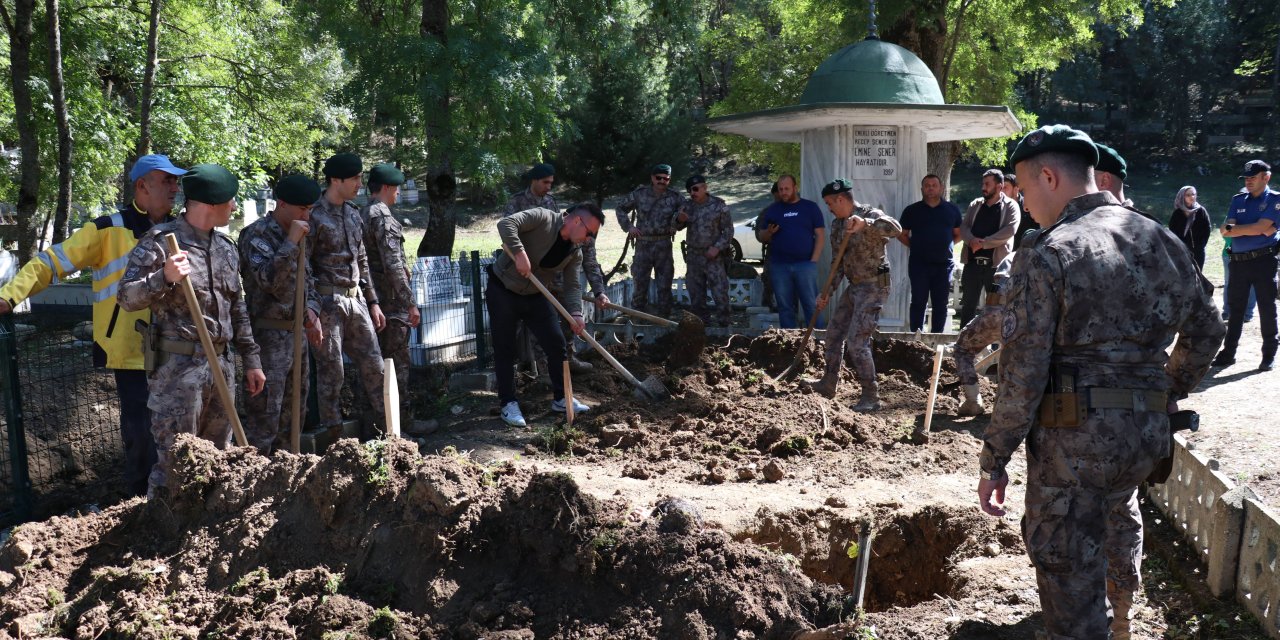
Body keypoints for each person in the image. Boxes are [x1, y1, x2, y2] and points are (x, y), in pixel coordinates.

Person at [978, 125, 1224, 640]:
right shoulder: (1160, 239)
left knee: (1067, 571)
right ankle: (1123, 618)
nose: (1025, 206)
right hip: (1144, 436)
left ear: (1048, 176)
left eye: (1024, 192)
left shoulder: (1049, 251)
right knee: (1120, 520)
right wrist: (1168, 388)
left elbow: (1022, 371)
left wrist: (995, 456)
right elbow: (1208, 328)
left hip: (1073, 441)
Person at [0, 154, 185, 497]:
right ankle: (139, 504)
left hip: (179, 350)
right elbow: (49, 263)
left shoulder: (182, 230)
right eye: (168, 180)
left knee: (180, 433)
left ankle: (177, 498)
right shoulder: (105, 229)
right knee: (141, 434)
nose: (176, 187)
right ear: (142, 186)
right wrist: (10, 296)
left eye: (177, 180)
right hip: (130, 353)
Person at [118, 163, 266, 494]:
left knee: (219, 460)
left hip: (221, 366)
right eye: (231, 200)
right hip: (178, 374)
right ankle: (164, 533)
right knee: (175, 462)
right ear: (212, 203)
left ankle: (206, 536)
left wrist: (252, 360)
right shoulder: (160, 243)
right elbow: (126, 297)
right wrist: (164, 278)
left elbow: (236, 308)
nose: (234, 206)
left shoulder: (225, 248)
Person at [489, 204, 601, 427]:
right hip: (503, 289)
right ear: (577, 221)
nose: (589, 239)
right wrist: (519, 253)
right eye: (590, 233)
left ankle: (561, 398)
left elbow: (572, 286)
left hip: (536, 293)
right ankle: (508, 403)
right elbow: (506, 224)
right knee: (505, 348)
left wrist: (576, 313)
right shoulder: (543, 218)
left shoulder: (574, 252)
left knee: (556, 343)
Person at [238, 175, 324, 454]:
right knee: (265, 418)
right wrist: (290, 242)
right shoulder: (257, 234)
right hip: (268, 337)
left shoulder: (301, 235)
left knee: (294, 415)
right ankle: (257, 479)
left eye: (310, 209)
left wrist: (312, 310)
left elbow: (309, 280)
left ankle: (286, 477)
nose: (306, 215)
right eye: (301, 209)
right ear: (282, 204)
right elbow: (268, 280)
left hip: (296, 334)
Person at [309, 152, 388, 436]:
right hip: (327, 303)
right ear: (335, 180)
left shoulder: (353, 214)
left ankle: (386, 435)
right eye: (354, 178)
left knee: (375, 367)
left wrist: (373, 301)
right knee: (333, 374)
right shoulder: (314, 215)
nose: (359, 183)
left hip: (356, 301)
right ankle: (335, 441)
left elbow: (362, 260)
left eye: (360, 177)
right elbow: (304, 265)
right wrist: (311, 308)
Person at [806, 179, 900, 411]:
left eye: (830, 203)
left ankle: (871, 395)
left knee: (857, 343)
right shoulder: (838, 225)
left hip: (875, 286)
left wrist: (865, 224)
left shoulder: (870, 214)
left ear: (841, 199)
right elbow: (838, 263)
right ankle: (829, 383)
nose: (828, 207)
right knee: (833, 334)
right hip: (855, 286)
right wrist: (827, 292)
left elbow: (896, 229)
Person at [506, 163, 608, 372]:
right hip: (526, 271)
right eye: (545, 182)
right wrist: (522, 256)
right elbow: (509, 229)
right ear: (533, 180)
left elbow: (583, 258)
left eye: (552, 183)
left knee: (569, 316)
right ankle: (537, 369)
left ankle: (568, 360)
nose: (549, 187)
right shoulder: (516, 202)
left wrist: (599, 291)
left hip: (555, 274)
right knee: (531, 324)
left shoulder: (553, 204)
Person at [361, 163, 422, 430]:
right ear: (386, 188)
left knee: (373, 365)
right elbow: (393, 264)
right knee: (397, 365)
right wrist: (410, 301)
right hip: (390, 302)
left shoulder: (361, 214)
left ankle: (375, 425)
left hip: (371, 300)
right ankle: (401, 424)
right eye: (396, 188)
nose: (397, 193)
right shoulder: (382, 217)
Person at [1212, 160, 1280, 371]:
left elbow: (1260, 227)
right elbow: (1225, 229)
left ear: (1265, 177)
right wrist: (1256, 229)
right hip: (1239, 262)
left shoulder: (1276, 199)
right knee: (1235, 310)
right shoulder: (1238, 199)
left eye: (1253, 177)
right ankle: (1229, 353)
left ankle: (1268, 354)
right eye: (1246, 178)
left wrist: (1241, 228)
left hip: (1264, 261)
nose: (1248, 181)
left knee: (1267, 309)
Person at [953, 249, 1019, 415]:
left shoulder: (1013, 256)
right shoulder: (1043, 258)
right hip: (1024, 317)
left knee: (963, 349)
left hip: (995, 313)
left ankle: (973, 400)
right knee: (1016, 357)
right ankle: (1008, 404)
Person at [616, 164, 684, 317]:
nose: (662, 181)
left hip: (664, 245)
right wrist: (629, 227)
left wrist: (676, 222)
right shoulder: (640, 194)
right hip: (643, 245)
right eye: (658, 178)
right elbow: (620, 208)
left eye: (665, 179)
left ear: (669, 180)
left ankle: (664, 324)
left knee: (665, 286)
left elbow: (684, 215)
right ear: (652, 178)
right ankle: (636, 323)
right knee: (640, 285)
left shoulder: (675, 197)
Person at [758, 175, 826, 328]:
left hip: (805, 265)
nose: (784, 193)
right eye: (781, 190)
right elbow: (762, 236)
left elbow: (820, 235)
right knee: (785, 307)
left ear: (795, 188)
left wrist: (813, 261)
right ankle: (790, 341)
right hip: (779, 265)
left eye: (787, 189)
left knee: (811, 304)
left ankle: (818, 339)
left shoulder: (810, 207)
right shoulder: (773, 210)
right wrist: (769, 233)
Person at [897, 174, 961, 333]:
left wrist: (945, 245)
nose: (930, 188)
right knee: (918, 301)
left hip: (944, 265)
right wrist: (916, 246)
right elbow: (901, 234)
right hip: (919, 265)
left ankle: (937, 339)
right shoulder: (912, 210)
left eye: (934, 185)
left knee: (941, 303)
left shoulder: (952, 210)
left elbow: (958, 234)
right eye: (927, 185)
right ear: (922, 189)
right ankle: (915, 339)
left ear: (941, 188)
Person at [957, 169, 1019, 328]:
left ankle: (994, 349)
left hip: (996, 268)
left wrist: (984, 243)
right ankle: (963, 345)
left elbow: (1010, 230)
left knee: (996, 309)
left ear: (999, 186)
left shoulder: (1011, 206)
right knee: (968, 307)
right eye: (983, 184)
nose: (983, 187)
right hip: (972, 265)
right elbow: (964, 227)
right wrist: (971, 241)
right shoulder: (975, 204)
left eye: (987, 184)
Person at [676, 175, 733, 326]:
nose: (692, 193)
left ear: (705, 187)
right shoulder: (687, 206)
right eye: (689, 191)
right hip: (694, 256)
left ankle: (724, 326)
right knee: (696, 294)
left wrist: (717, 247)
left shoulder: (718, 205)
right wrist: (679, 220)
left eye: (695, 189)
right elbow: (676, 226)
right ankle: (701, 328)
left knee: (720, 292)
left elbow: (728, 231)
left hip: (714, 256)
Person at [1168, 185, 1211, 270]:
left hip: (1198, 250)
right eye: (1188, 195)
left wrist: (1201, 244)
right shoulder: (1177, 213)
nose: (1192, 197)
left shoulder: (1201, 211)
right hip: (1182, 250)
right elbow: (1172, 231)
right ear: (1182, 196)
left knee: (1198, 275)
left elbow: (1207, 228)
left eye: (1193, 194)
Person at [1221, 235, 1257, 322]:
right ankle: (1227, 312)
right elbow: (1226, 234)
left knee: (1252, 284)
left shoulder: (1259, 220)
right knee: (1229, 282)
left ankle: (1248, 313)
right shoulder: (1231, 221)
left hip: (1254, 255)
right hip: (1229, 253)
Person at [1007, 173, 1039, 250]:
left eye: (1005, 188)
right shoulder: (1001, 207)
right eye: (1001, 188)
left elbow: (1038, 228)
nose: (1002, 192)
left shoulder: (1029, 205)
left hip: (1026, 250)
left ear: (1016, 189)